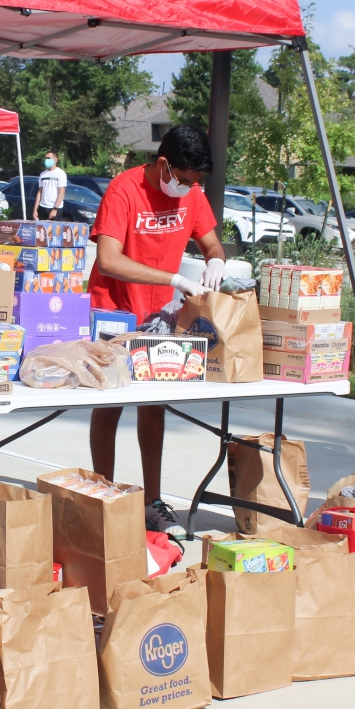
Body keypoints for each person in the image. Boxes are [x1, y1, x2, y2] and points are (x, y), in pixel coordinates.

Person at [87, 125, 230, 537]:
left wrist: (216, 261)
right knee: (110, 405)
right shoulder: (123, 191)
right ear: (164, 164)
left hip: (163, 318)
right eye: (183, 180)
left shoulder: (194, 195)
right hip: (116, 312)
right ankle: (104, 495)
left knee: (155, 407)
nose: (188, 189)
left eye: (196, 182)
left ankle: (152, 500)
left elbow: (212, 244)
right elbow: (109, 260)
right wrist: (174, 278)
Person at [36, 150, 67, 219]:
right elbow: (39, 192)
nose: (46, 160)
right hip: (43, 207)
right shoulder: (42, 174)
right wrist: (35, 210)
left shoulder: (61, 173)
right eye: (45, 158)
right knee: (42, 229)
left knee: (54, 229)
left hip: (55, 208)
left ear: (55, 160)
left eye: (48, 158)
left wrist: (55, 209)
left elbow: (61, 192)